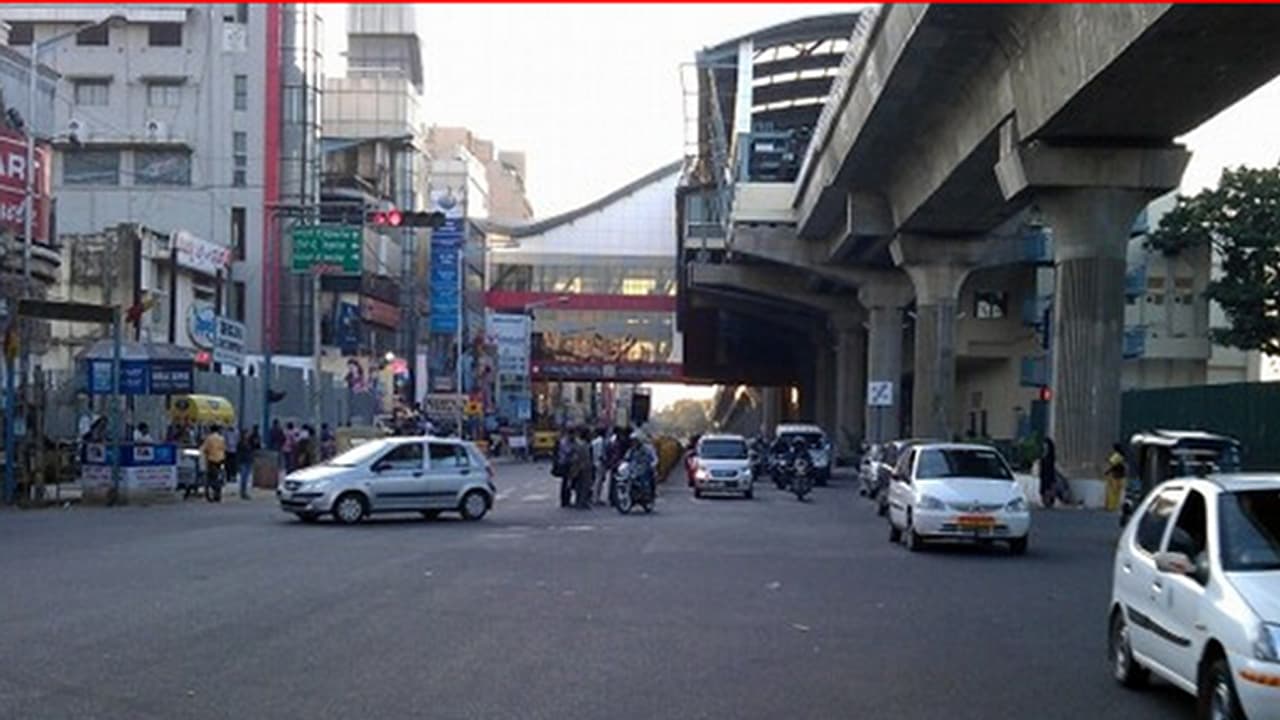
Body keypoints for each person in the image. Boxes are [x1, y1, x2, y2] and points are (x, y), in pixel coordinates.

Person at [199, 424, 227, 502]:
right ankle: (218, 494)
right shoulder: (221, 438)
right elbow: (224, 448)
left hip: (212, 460)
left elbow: (204, 448)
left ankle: (211, 494)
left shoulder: (209, 438)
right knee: (219, 477)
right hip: (221, 460)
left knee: (211, 478)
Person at [572, 428, 594, 510]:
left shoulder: (583, 444)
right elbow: (578, 457)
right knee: (583, 485)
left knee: (582, 485)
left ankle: (581, 501)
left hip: (583, 467)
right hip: (584, 467)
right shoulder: (582, 445)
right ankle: (581, 501)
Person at [1104, 442, 1127, 512]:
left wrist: (1107, 471)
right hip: (1122, 476)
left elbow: (1112, 464)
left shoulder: (1116, 455)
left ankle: (1111, 507)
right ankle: (1115, 506)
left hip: (1115, 476)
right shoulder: (1123, 455)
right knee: (1117, 492)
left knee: (1112, 492)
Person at [555, 430, 574, 508]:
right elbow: (568, 451)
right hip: (565, 464)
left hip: (568, 463)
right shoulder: (564, 442)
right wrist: (574, 448)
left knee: (568, 482)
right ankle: (564, 500)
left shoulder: (567, 441)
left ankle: (567, 499)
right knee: (566, 482)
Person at [238, 425, 256, 500]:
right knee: (244, 477)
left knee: (246, 477)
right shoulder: (241, 443)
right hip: (243, 461)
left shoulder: (249, 442)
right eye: (246, 434)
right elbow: (239, 453)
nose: (247, 435)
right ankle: (243, 492)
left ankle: (244, 491)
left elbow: (253, 448)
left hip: (248, 460)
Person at [1039, 437, 1057, 508]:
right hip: (1043, 476)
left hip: (1048, 476)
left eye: (1046, 445)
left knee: (1047, 488)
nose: (1045, 447)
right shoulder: (1044, 455)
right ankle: (1046, 501)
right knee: (1044, 489)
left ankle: (1049, 501)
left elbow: (1051, 468)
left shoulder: (1050, 457)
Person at [590, 428, 607, 505]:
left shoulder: (594, 441)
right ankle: (596, 498)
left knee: (596, 481)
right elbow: (601, 454)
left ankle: (595, 497)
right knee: (599, 481)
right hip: (600, 463)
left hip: (595, 461)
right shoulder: (602, 441)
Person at [224, 425, 240, 496]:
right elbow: (225, 440)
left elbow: (237, 440)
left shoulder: (236, 432)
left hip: (234, 450)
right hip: (227, 450)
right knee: (227, 464)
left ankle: (233, 476)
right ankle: (228, 476)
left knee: (234, 464)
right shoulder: (226, 432)